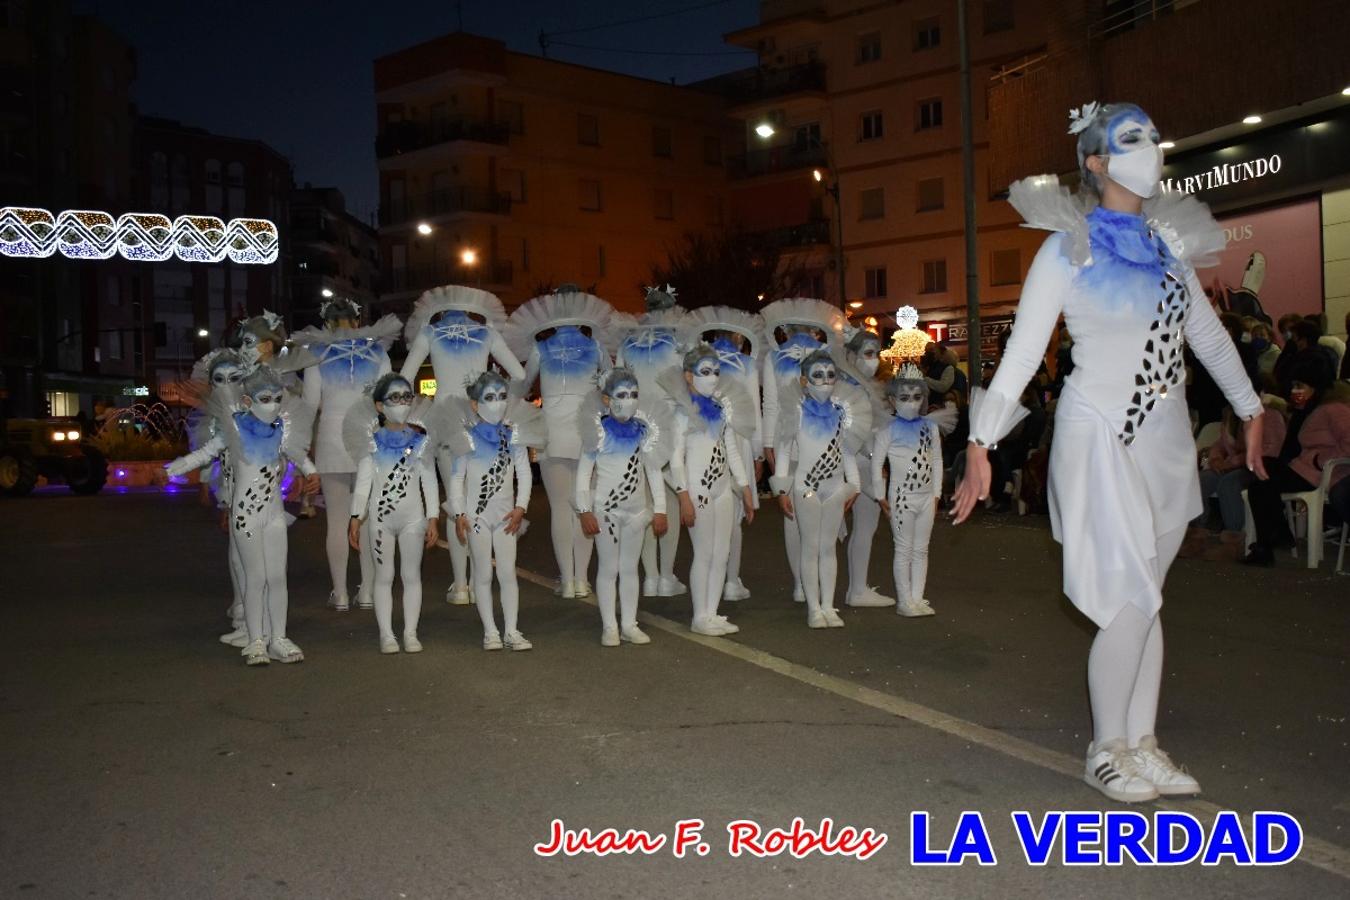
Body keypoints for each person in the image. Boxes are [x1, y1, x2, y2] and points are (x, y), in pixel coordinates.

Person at [953, 101, 1267, 803]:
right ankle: (1106, 748)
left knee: (1149, 599)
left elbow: (1210, 340)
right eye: (1132, 139)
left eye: (1155, 135)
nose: (1151, 147)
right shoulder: (1069, 244)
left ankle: (1143, 743)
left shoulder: (1166, 247)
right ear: (1096, 161)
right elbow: (1026, 350)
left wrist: (1251, 410)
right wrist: (982, 439)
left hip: (1163, 437)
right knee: (1128, 597)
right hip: (1096, 433)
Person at [167, 365, 321, 666]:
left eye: (278, 398)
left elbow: (298, 455)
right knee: (256, 577)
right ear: (248, 401)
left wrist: (312, 473)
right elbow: (205, 454)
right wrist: (170, 470)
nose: (273, 405)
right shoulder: (233, 428)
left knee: (277, 577)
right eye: (266, 398)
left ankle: (279, 637)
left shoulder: (280, 429)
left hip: (274, 513)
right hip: (245, 515)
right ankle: (255, 640)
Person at [401, 285, 525, 606]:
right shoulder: (486, 332)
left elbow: (405, 376)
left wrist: (416, 409)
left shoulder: (431, 331)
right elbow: (519, 373)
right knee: (480, 496)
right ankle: (476, 578)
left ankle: (461, 586)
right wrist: (498, 399)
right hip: (480, 416)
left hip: (443, 419)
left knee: (455, 500)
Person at [295, 299, 401, 613]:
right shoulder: (377, 352)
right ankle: (367, 591)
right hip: (368, 438)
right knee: (367, 519)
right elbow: (390, 398)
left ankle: (340, 592)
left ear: (326, 323)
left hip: (331, 440)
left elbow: (310, 404)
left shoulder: (316, 355)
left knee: (338, 521)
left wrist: (301, 450)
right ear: (357, 321)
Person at [510, 286, 614, 600]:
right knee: (585, 503)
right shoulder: (594, 344)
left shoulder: (542, 348)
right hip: (587, 431)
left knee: (559, 508)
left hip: (552, 432)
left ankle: (567, 580)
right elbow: (612, 382)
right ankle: (582, 578)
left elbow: (522, 385)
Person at [770, 349, 871, 629]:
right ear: (804, 381)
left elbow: (847, 450)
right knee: (811, 547)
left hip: (836, 486)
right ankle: (814, 608)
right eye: (818, 375)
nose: (825, 381)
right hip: (806, 487)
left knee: (828, 548)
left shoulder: (841, 413)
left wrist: (854, 486)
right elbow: (784, 449)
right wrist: (781, 489)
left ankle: (828, 604)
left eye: (830, 375)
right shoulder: (797, 412)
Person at [445, 371, 545, 650]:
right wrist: (459, 512)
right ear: (475, 404)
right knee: (483, 574)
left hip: (506, 518)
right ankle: (490, 631)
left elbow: (524, 474)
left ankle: (511, 630)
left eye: (502, 397)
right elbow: (456, 478)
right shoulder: (467, 437)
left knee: (507, 572)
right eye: (490, 398)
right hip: (476, 517)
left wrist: (520, 508)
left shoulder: (514, 436)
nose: (498, 403)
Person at [662, 343, 757, 636]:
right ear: (689, 376)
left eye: (716, 371)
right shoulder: (681, 414)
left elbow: (731, 449)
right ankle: (700, 617)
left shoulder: (719, 409)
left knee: (722, 552)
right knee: (704, 553)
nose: (713, 377)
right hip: (697, 491)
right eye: (705, 371)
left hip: (722, 489)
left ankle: (712, 612)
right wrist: (683, 496)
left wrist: (744, 487)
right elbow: (675, 460)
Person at [759, 298, 847, 604]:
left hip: (788, 439)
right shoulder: (828, 355)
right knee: (817, 516)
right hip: (819, 438)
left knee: (793, 516)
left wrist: (768, 445)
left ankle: (801, 583)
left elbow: (770, 407)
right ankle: (813, 585)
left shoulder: (774, 357)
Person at [575, 368, 670, 646]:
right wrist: (584, 510)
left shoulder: (644, 432)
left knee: (630, 568)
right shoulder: (598, 432)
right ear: (606, 399)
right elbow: (583, 473)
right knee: (609, 567)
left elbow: (653, 471)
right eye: (621, 395)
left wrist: (661, 509)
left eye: (633, 395)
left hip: (637, 511)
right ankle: (609, 626)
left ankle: (629, 623)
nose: (628, 400)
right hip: (607, 511)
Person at [345, 374, 439, 654]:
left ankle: (410, 632)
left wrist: (433, 517)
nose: (402, 403)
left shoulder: (421, 441)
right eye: (394, 398)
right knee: (383, 576)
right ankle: (386, 634)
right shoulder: (371, 443)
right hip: (380, 521)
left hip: (414, 519)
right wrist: (355, 517)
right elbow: (363, 484)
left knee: (412, 576)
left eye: (406, 397)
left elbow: (429, 481)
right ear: (379, 406)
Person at [688, 305, 765, 603]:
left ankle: (715, 582)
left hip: (707, 439)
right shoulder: (745, 363)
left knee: (714, 518)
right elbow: (753, 411)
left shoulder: (701, 361)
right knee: (732, 517)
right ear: (737, 334)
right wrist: (758, 452)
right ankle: (730, 580)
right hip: (738, 441)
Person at [613, 286, 687, 598]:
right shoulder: (680, 341)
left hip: (636, 427)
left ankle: (651, 576)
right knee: (668, 500)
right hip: (670, 426)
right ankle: (666, 576)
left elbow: (616, 382)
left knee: (643, 502)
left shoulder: (628, 342)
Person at [1242, 359, 1350, 565]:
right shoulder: (1310, 410)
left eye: (1300, 386)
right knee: (1260, 479)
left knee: (1262, 477)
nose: (1294, 390)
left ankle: (1271, 541)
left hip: (1320, 472)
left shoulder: (1334, 409)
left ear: (1315, 387)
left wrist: (1321, 460)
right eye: (1293, 386)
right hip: (1305, 469)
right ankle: (1270, 541)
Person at [871, 363, 957, 617]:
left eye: (917, 397)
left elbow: (938, 460)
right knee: (903, 548)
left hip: (926, 497)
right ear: (893, 399)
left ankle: (918, 598)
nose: (911, 403)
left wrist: (936, 494)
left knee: (921, 549)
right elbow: (877, 462)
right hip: (901, 497)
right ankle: (904, 600)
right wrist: (880, 495)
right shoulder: (888, 429)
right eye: (905, 398)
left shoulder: (930, 427)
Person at [839, 325, 894, 608]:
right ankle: (856, 590)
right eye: (868, 353)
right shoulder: (850, 388)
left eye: (876, 353)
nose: (874, 359)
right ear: (853, 355)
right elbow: (854, 434)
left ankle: (856, 588)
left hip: (864, 461)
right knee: (868, 523)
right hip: (859, 463)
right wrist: (875, 463)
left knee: (865, 526)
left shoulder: (859, 385)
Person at [1193, 402, 1286, 553]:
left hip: (1257, 468)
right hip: (1231, 465)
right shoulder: (1231, 415)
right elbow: (1221, 444)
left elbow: (1272, 449)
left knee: (1229, 484)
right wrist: (1216, 458)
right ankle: (1198, 532)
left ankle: (1234, 538)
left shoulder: (1270, 416)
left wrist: (1235, 462)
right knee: (1200, 480)